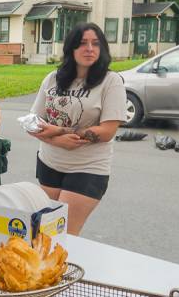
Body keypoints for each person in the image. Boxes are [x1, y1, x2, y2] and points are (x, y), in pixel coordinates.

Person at [29, 23, 126, 235]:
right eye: (82, 43)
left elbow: (107, 131)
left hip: (88, 169)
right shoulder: (53, 78)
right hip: (49, 164)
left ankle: (65, 269)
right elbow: (33, 121)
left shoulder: (111, 81)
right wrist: (58, 139)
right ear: (71, 48)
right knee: (42, 231)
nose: (89, 49)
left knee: (61, 234)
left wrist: (57, 130)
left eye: (95, 43)